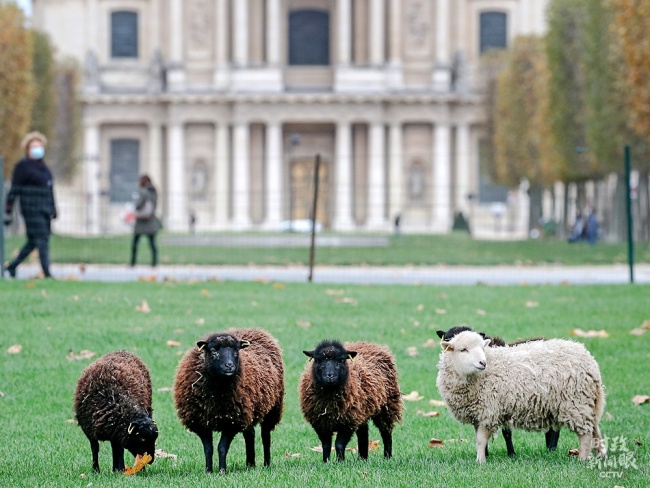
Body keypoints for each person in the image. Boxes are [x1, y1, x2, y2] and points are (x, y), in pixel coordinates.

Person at [3, 132, 57, 278]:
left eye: (39, 146)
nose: (37, 149)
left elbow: (50, 188)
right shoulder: (22, 166)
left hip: (44, 208)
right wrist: (7, 208)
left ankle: (12, 266)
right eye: (34, 147)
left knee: (33, 241)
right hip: (30, 208)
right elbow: (15, 188)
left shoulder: (44, 168)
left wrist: (53, 208)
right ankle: (47, 272)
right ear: (27, 149)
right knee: (42, 239)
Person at [130, 174, 162, 267]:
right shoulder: (154, 192)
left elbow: (138, 205)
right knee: (152, 244)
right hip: (150, 220)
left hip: (141, 221)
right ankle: (154, 263)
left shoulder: (143, 192)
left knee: (135, 243)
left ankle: (133, 262)